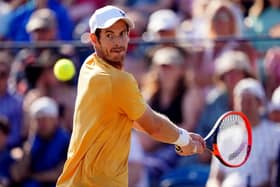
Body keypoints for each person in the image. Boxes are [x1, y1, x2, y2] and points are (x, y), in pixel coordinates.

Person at [56, 5, 206, 187]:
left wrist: (182, 136)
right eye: (110, 35)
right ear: (94, 40)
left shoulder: (89, 65)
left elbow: (135, 118)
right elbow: (153, 126)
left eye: (122, 34)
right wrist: (184, 139)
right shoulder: (118, 80)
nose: (118, 42)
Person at [206, 78, 280, 187]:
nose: (244, 106)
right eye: (241, 101)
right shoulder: (224, 136)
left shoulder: (275, 133)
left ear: (259, 103)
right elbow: (215, 177)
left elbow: (274, 177)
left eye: (249, 101)